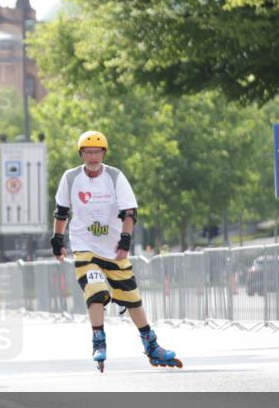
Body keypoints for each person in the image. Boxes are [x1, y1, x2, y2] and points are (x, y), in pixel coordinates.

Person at [51, 130, 182, 373]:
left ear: (103, 152)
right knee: (96, 290)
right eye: (88, 152)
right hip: (84, 247)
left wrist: (124, 240)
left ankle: (151, 345)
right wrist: (57, 238)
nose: (92, 157)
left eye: (97, 152)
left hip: (113, 249)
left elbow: (129, 212)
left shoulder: (114, 176)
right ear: (81, 154)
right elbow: (61, 211)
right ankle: (98, 340)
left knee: (132, 298)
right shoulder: (70, 178)